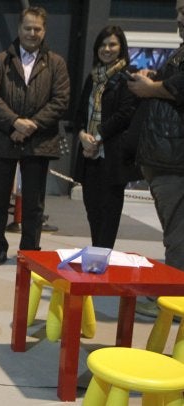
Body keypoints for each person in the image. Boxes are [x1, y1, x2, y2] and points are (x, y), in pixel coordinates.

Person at [0, 6, 70, 266]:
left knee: (34, 202)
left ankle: (29, 252)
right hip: (2, 138)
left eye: (37, 29)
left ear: (44, 31)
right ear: (19, 29)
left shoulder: (56, 63)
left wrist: (32, 125)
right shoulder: (0, 61)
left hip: (39, 140)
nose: (32, 33)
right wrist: (14, 123)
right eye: (27, 28)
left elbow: (61, 100)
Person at [126, 0, 184, 316]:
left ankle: (171, 303)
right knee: (175, 233)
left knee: (178, 235)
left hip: (175, 161)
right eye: (177, 11)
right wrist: (154, 80)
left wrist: (152, 88)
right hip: (165, 159)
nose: (178, 18)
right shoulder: (180, 51)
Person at [73, 25, 139, 249]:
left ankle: (103, 258)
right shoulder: (92, 78)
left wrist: (98, 136)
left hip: (112, 157)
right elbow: (80, 114)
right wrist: (83, 135)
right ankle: (96, 257)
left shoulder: (127, 78)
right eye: (103, 44)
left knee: (109, 215)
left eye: (112, 44)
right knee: (93, 212)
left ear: (121, 48)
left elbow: (125, 114)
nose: (107, 49)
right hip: (89, 154)